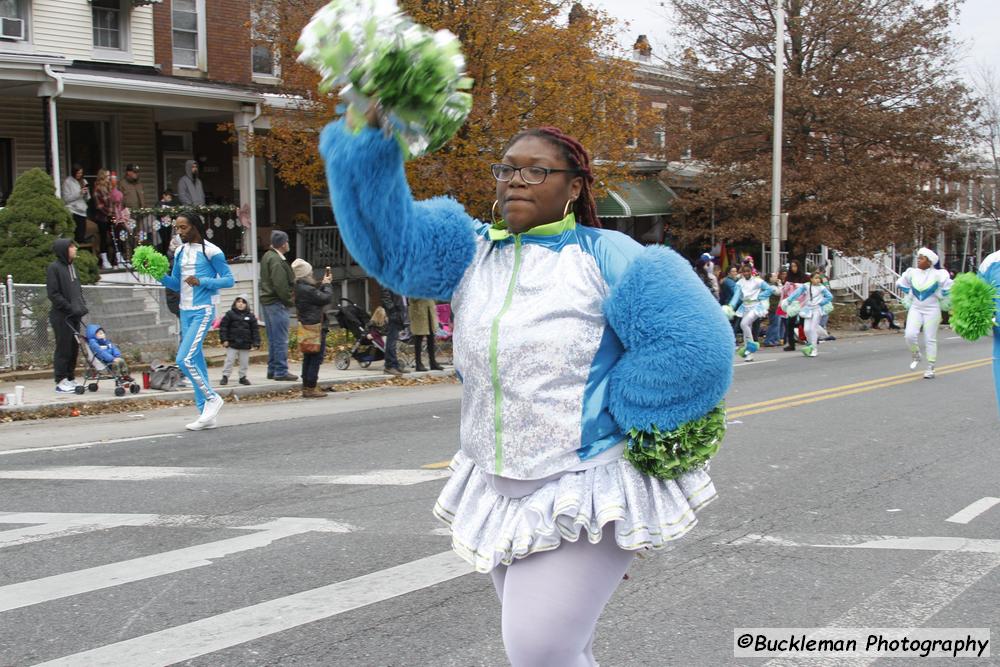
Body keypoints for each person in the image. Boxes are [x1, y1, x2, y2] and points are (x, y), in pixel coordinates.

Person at [319, 114, 732, 667]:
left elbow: (694, 345)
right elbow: (389, 241)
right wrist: (367, 144)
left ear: (575, 186)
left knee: (540, 650)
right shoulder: (472, 254)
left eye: (537, 172)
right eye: (508, 170)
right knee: (564, 652)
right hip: (496, 483)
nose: (516, 181)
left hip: (584, 482)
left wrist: (622, 410)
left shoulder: (608, 255)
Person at [159, 213, 234, 429]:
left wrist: (202, 281)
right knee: (197, 360)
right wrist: (157, 273)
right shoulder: (180, 251)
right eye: (177, 228)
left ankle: (212, 398)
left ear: (195, 227)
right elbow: (175, 284)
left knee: (184, 359)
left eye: (183, 228)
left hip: (203, 311)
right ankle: (206, 415)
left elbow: (229, 280)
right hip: (185, 312)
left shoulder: (212, 251)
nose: (179, 232)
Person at [896, 247, 953, 378]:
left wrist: (941, 294)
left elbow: (949, 287)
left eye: (921, 258)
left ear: (929, 261)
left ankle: (930, 367)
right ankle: (916, 354)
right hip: (916, 308)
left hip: (932, 309)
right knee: (909, 335)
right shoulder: (911, 273)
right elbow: (901, 283)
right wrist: (910, 293)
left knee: (930, 338)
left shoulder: (939, 274)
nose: (918, 260)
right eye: (918, 258)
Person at [46, 239, 88, 393]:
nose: (75, 248)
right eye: (71, 246)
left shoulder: (72, 267)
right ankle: (61, 379)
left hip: (74, 315)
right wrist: (69, 307)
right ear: (64, 250)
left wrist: (81, 306)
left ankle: (70, 377)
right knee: (63, 347)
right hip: (61, 316)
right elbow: (53, 293)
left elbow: (77, 289)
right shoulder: (54, 268)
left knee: (73, 347)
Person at [259, 230, 298, 381]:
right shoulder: (276, 260)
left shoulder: (268, 256)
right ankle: (281, 370)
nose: (288, 244)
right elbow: (280, 285)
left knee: (273, 338)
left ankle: (272, 369)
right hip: (276, 302)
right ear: (283, 244)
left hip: (267, 302)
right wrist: (289, 300)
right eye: (287, 241)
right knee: (281, 338)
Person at [292, 259, 334, 398]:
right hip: (315, 326)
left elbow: (317, 297)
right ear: (305, 274)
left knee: (308, 356)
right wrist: (327, 285)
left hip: (306, 325)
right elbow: (325, 298)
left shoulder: (301, 287)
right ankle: (311, 387)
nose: (312, 273)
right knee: (316, 357)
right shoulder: (307, 289)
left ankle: (306, 386)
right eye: (310, 272)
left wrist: (323, 285)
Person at [725, 263, 775, 361]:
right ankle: (749, 353)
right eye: (744, 271)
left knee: (743, 324)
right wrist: (731, 305)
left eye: (748, 271)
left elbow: (769, 289)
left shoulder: (757, 281)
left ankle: (751, 345)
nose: (746, 273)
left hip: (756, 306)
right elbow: (736, 295)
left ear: (751, 271)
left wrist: (761, 296)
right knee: (746, 329)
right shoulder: (739, 283)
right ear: (742, 272)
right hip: (745, 307)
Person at [783, 272, 833, 357]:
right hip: (808, 310)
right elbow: (797, 293)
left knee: (812, 328)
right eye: (816, 278)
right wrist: (789, 300)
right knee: (806, 329)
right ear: (811, 279)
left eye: (819, 278)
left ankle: (814, 349)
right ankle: (812, 343)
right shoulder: (806, 286)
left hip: (817, 310)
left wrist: (821, 302)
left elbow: (830, 297)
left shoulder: (822, 288)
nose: (818, 280)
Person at [218, 295, 260, 386]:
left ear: (247, 304)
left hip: (245, 343)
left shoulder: (250, 316)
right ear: (235, 303)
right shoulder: (230, 314)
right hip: (232, 342)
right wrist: (224, 339)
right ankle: (225, 376)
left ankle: (242, 377)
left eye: (243, 302)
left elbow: (255, 330)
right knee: (229, 360)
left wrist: (256, 342)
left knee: (244, 362)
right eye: (239, 302)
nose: (240, 304)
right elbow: (223, 327)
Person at [409, 297, 443, 371]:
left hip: (429, 311)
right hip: (419, 312)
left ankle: (433, 362)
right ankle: (418, 364)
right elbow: (411, 298)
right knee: (418, 338)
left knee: (431, 338)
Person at [380, 285, 407, 376]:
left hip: (399, 313)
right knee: (391, 341)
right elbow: (385, 297)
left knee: (394, 341)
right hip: (394, 314)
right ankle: (389, 366)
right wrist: (393, 311)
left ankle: (395, 365)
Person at [61, 165, 90, 244]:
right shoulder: (68, 182)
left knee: (81, 236)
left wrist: (86, 193)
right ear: (74, 172)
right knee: (74, 235)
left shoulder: (84, 181)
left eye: (81, 173)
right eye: (78, 173)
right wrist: (79, 193)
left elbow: (88, 198)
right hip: (72, 211)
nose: (79, 175)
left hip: (82, 211)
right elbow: (66, 199)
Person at [782, 259, 807, 350]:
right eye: (792, 266)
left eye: (795, 266)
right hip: (792, 304)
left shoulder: (804, 277)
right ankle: (791, 344)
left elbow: (807, 289)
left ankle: (808, 341)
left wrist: (799, 286)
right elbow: (784, 291)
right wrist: (787, 286)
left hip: (802, 303)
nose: (793, 268)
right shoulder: (789, 277)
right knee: (790, 324)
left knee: (803, 323)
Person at [92, 168, 114, 269]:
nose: (109, 178)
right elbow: (98, 206)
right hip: (102, 217)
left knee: (114, 236)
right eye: (107, 176)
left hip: (110, 216)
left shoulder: (108, 187)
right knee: (104, 238)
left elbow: (111, 202)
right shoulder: (98, 188)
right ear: (103, 176)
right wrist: (108, 212)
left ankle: (116, 258)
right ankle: (104, 259)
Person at [763, 272, 785, 346]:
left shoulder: (772, 285)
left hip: (776, 307)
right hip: (773, 307)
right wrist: (780, 284)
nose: (776, 277)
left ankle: (775, 339)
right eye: (774, 276)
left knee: (775, 324)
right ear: (770, 278)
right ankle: (769, 340)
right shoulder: (770, 286)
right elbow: (780, 292)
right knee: (774, 324)